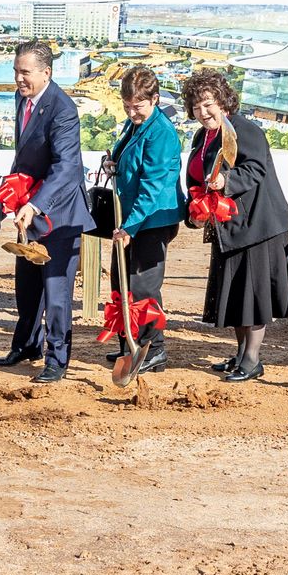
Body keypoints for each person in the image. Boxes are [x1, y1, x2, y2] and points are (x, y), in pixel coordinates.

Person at [0, 41, 95, 383]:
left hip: (59, 215)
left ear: (46, 72)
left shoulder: (63, 109)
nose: (18, 79)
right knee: (27, 286)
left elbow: (67, 168)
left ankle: (57, 359)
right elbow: (25, 156)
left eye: (25, 72)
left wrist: (35, 204)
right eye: (15, 71)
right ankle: (27, 346)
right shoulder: (21, 98)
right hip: (30, 208)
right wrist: (16, 194)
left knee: (56, 291)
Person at [186, 67, 288, 381]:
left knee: (253, 296)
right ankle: (240, 354)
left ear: (223, 102)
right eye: (197, 106)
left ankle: (252, 359)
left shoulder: (245, 130)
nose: (203, 112)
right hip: (228, 227)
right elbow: (197, 176)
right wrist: (195, 210)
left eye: (208, 104)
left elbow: (256, 169)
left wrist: (226, 180)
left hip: (258, 226)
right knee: (235, 295)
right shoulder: (203, 135)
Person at [102, 65, 182, 374]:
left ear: (155, 99)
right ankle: (130, 345)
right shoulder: (135, 124)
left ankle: (154, 349)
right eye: (127, 106)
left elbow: (152, 186)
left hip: (151, 221)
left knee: (143, 286)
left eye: (138, 106)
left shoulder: (161, 133)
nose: (132, 112)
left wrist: (130, 228)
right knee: (121, 281)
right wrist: (112, 163)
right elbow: (128, 161)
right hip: (131, 219)